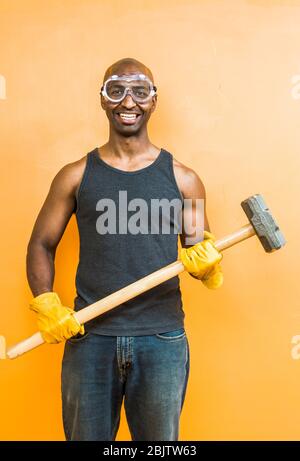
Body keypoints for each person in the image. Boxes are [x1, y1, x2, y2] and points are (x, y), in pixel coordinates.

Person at [26, 57, 223, 441]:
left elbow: (200, 248)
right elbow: (41, 243)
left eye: (139, 91)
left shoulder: (185, 180)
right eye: (116, 90)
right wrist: (46, 301)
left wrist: (208, 264)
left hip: (162, 340)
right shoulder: (75, 175)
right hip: (90, 338)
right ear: (102, 99)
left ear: (153, 100)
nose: (128, 101)